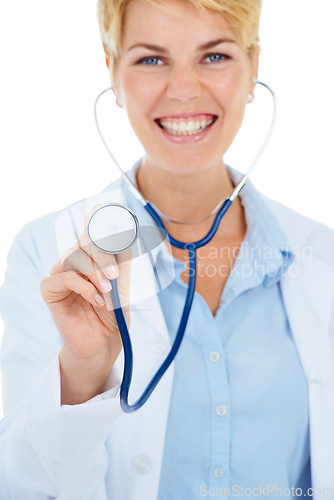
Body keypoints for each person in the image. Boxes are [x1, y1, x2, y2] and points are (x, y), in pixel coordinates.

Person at [0, 0, 334, 498]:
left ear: (253, 68)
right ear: (112, 72)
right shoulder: (47, 251)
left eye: (215, 56)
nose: (183, 89)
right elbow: (22, 485)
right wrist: (84, 371)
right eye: (151, 59)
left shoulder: (319, 257)